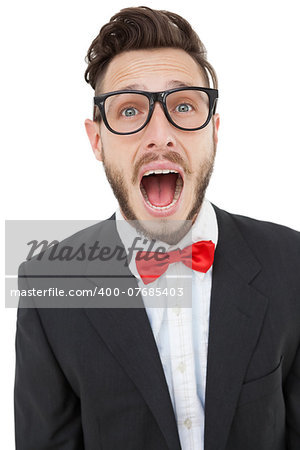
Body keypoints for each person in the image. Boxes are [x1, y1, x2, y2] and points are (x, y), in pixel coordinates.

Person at [14, 6, 300, 450]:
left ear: (215, 131)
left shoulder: (291, 261)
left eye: (183, 105)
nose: (160, 134)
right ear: (97, 140)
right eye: (129, 110)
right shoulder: (49, 282)